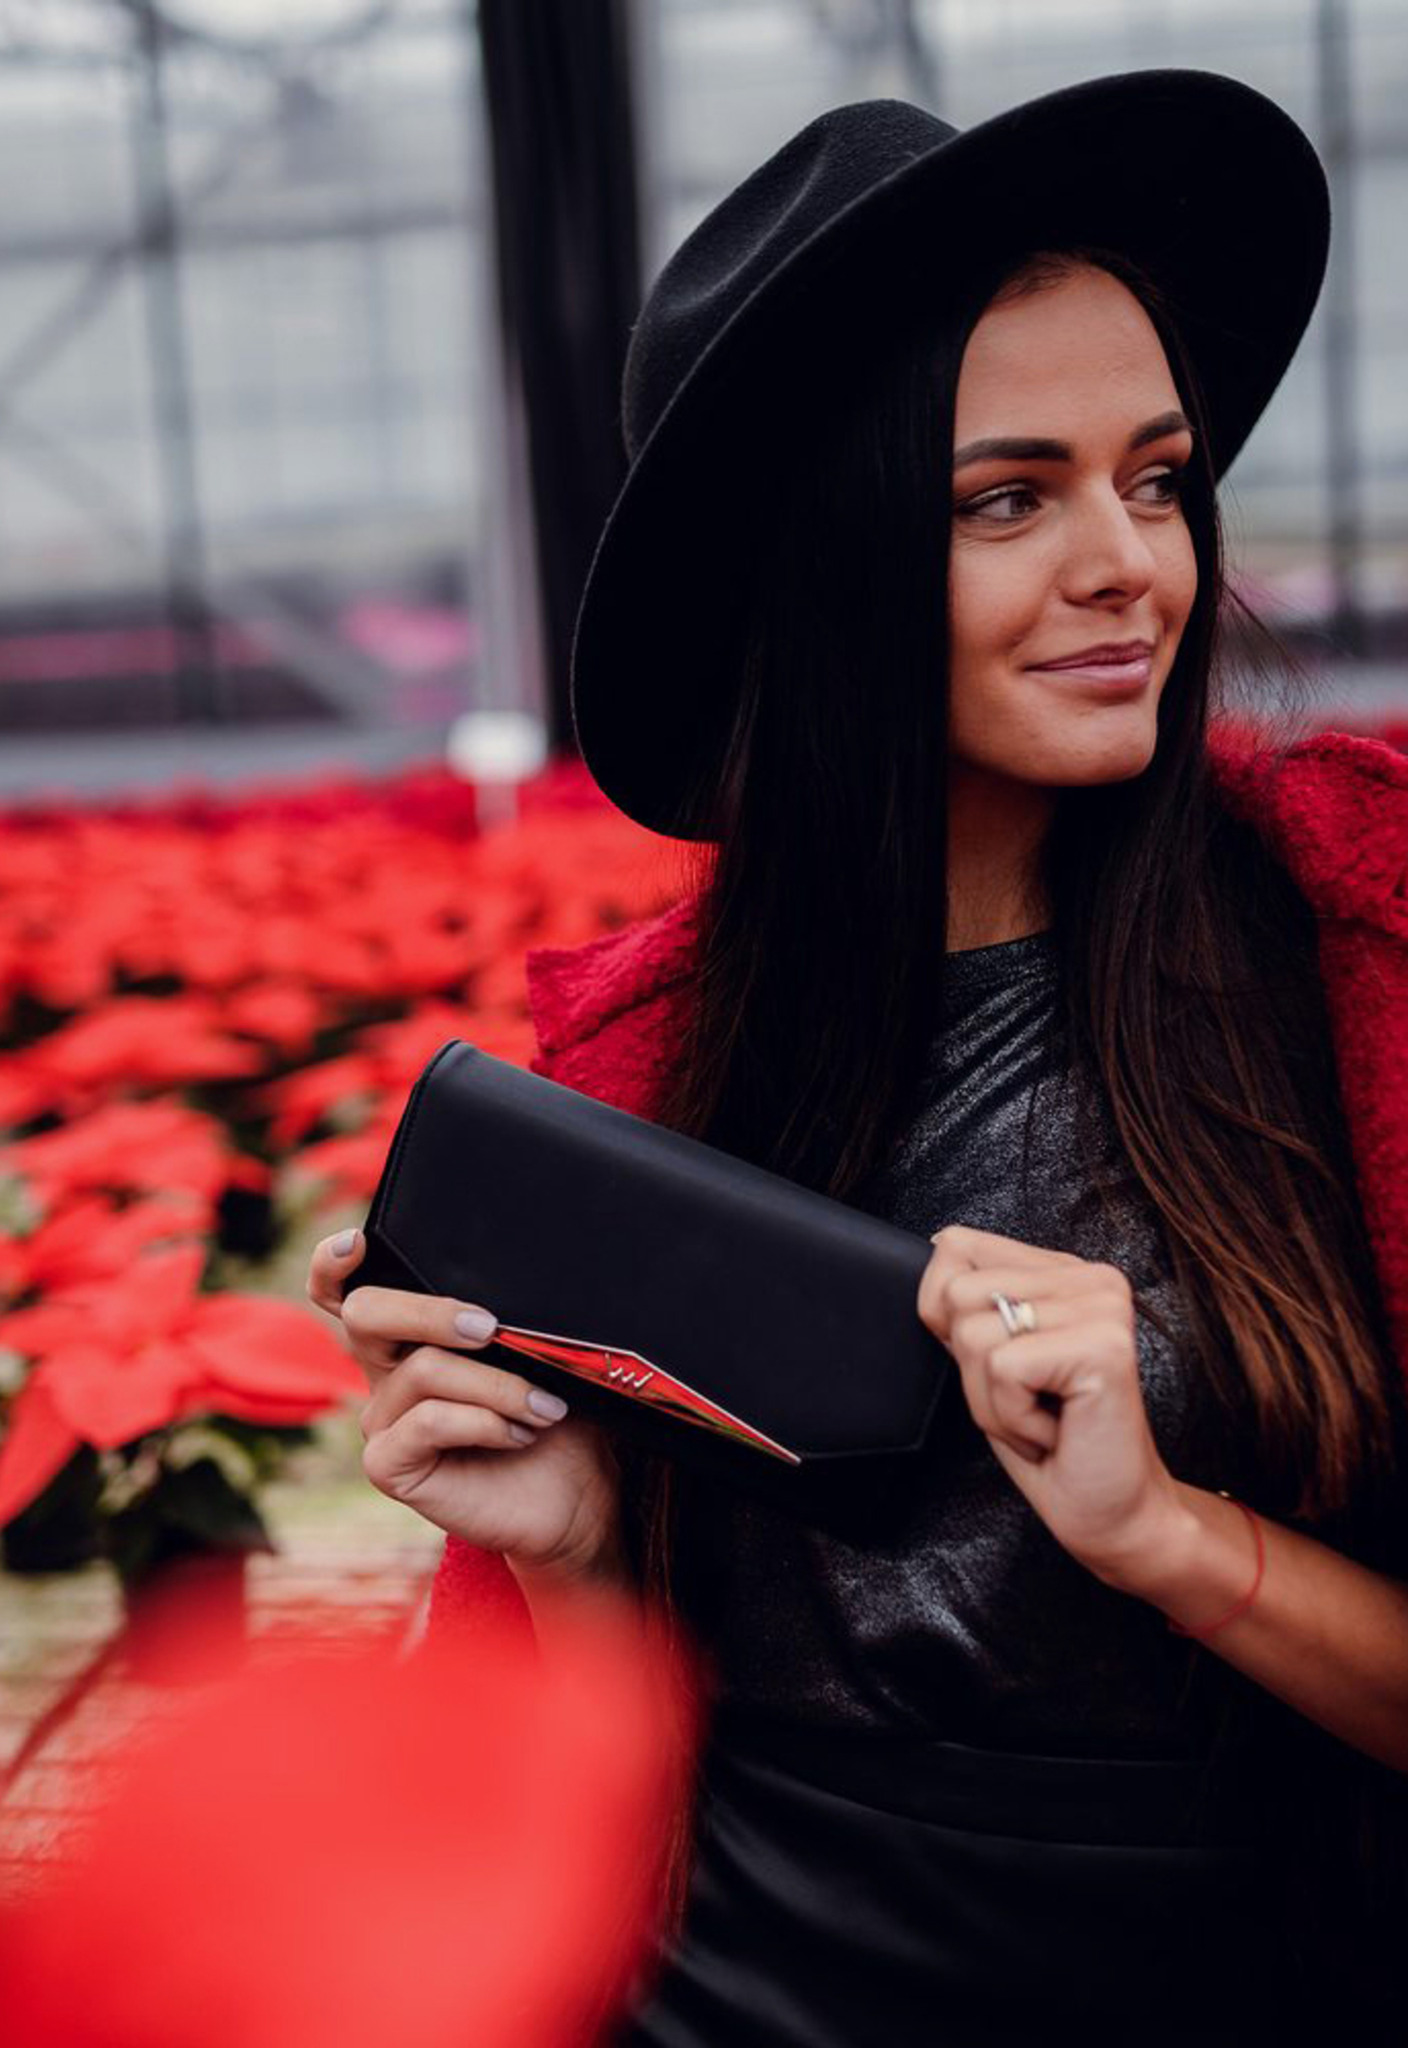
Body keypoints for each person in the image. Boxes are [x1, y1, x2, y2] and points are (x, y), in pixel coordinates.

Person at [307, 72, 1408, 2044]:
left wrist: (1171, 1539)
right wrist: (573, 1558)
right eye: (1007, 499)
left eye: (1157, 478)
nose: (1130, 563)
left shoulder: (1356, 951)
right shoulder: (660, 1073)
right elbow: (579, 1839)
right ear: (821, 568)